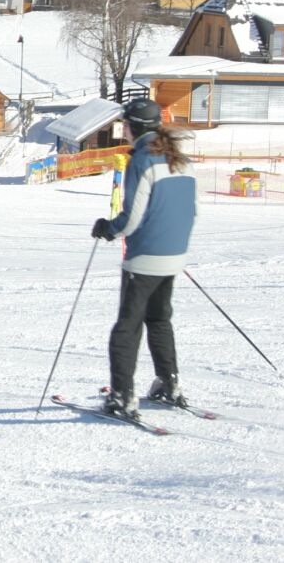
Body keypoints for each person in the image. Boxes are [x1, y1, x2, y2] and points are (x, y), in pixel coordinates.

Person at [91, 98, 197, 419]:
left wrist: (108, 229)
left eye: (124, 123)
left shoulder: (142, 159)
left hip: (146, 256)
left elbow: (132, 218)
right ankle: (169, 383)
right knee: (159, 319)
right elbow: (191, 209)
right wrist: (172, 243)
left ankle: (122, 397)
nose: (122, 128)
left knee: (127, 327)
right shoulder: (179, 157)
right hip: (174, 254)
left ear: (133, 126)